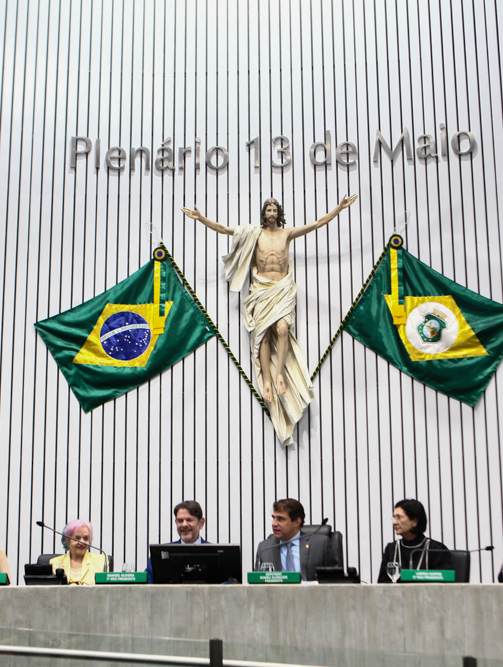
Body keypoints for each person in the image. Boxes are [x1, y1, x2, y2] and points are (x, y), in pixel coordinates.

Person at [183, 195, 358, 446]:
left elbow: (318, 223)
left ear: (279, 213)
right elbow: (223, 229)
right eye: (269, 209)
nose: (272, 213)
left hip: (283, 289)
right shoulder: (254, 234)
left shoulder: (287, 233)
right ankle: (266, 379)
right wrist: (201, 219)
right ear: (264, 213)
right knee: (263, 336)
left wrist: (339, 208)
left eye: (275, 209)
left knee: (283, 329)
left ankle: (279, 375)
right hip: (262, 289)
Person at [254, 498, 338, 581]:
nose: (274, 523)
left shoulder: (320, 545)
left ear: (297, 522)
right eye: (273, 518)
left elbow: (335, 580)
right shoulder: (265, 548)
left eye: (281, 519)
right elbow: (257, 582)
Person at [377, 499, 453, 582]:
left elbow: (444, 583)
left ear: (414, 521)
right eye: (394, 517)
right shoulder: (391, 549)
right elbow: (383, 583)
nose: (394, 522)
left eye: (399, 517)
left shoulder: (435, 549)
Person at [146, 500, 210, 583]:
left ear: (201, 523)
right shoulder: (159, 556)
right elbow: (147, 583)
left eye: (189, 520)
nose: (184, 525)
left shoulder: (216, 554)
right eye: (180, 521)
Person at [48, 520, 108, 585]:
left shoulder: (101, 561)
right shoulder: (55, 563)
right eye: (77, 538)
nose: (82, 542)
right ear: (67, 540)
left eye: (85, 538)